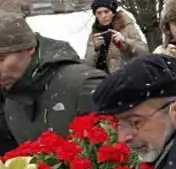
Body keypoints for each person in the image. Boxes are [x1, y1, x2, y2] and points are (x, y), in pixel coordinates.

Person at [0, 11, 105, 153]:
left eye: (1, 59)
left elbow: (126, 155)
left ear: (29, 48)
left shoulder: (84, 85)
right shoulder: (12, 100)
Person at [84, 0, 148, 74]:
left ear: (113, 13)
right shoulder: (94, 34)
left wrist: (125, 40)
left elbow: (144, 51)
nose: (103, 16)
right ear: (95, 15)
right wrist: (95, 48)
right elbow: (88, 66)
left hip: (128, 77)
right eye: (99, 13)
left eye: (106, 11)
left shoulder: (125, 26)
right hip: (105, 80)